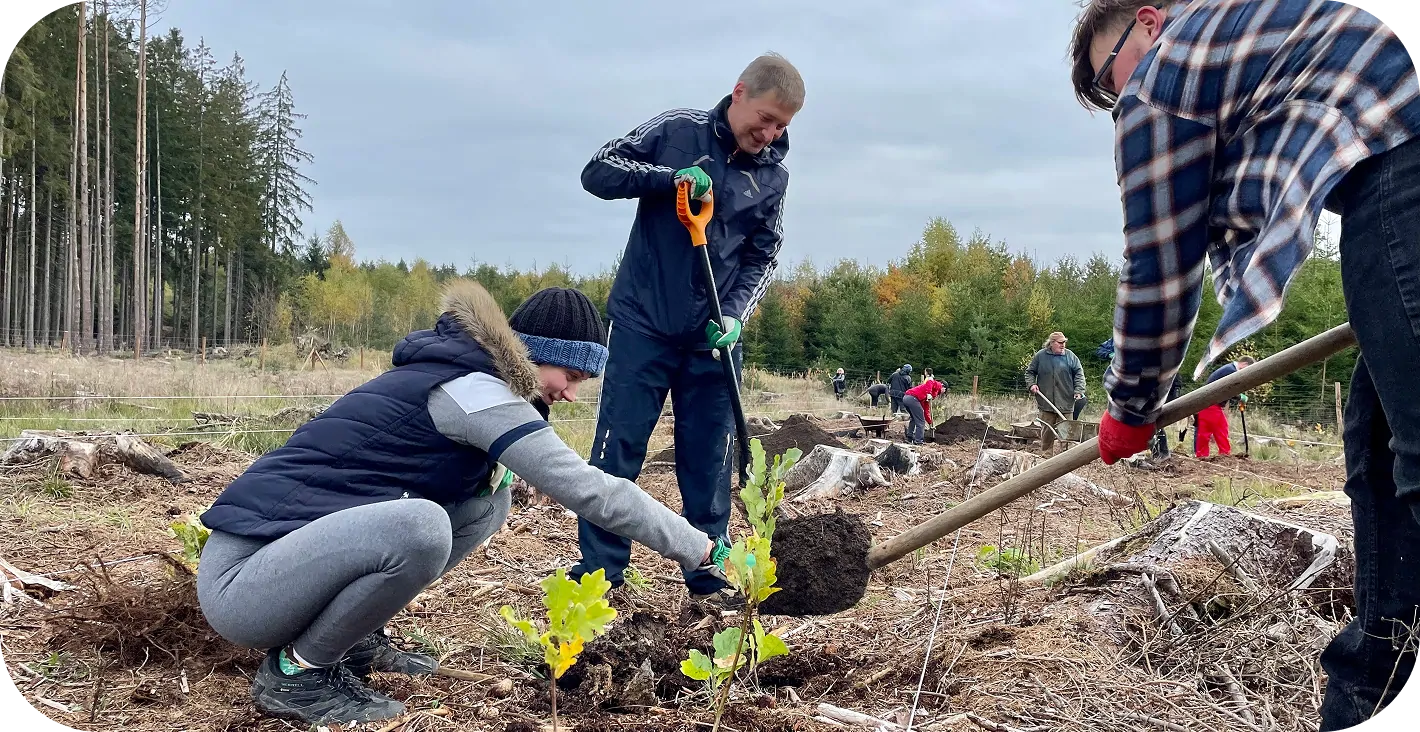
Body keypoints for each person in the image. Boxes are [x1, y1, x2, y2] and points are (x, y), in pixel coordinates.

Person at [1072, 0, 1420, 726]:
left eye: (1111, 76)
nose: (1120, 101)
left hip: (1404, 166)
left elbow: (1160, 268)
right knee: (1382, 451)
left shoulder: (1163, 73)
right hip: (1394, 156)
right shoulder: (1268, 29)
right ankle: (1381, 685)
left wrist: (1132, 407)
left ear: (1147, 20)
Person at [195, 282, 732, 725]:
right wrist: (700, 548)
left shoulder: (467, 375)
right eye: (569, 377)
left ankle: (351, 637)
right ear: (536, 355)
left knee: (485, 503)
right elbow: (595, 492)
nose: (569, 394)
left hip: (283, 563)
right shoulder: (478, 394)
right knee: (423, 526)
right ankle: (296, 673)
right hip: (244, 585)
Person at [572, 53, 804, 604]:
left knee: (707, 464)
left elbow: (763, 255)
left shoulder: (773, 175)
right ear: (739, 92)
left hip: (712, 340)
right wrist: (668, 178)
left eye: (782, 127)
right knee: (616, 457)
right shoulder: (676, 131)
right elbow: (596, 171)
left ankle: (708, 580)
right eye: (765, 118)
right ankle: (601, 583)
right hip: (642, 325)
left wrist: (734, 315)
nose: (768, 134)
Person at [1024, 332, 1085, 451]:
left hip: (1066, 400)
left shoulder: (1070, 356)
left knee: (1067, 431)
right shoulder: (1041, 356)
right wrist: (1032, 384)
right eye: (1060, 343)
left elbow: (1079, 374)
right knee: (1047, 431)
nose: (1063, 345)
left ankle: (1065, 457)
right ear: (1052, 343)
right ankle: (1046, 456)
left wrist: (1078, 390)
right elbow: (1030, 372)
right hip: (1046, 400)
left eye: (1064, 342)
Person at [1195, 357, 1255, 458]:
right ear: (1244, 364)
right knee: (1221, 429)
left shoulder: (1228, 368)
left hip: (1206, 403)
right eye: (1248, 369)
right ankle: (1224, 455)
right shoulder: (1231, 371)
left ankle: (1201, 456)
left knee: (1204, 433)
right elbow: (1228, 389)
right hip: (1212, 404)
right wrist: (1240, 397)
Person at [902, 374, 945, 445]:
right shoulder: (938, 385)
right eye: (945, 389)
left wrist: (930, 422)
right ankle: (919, 441)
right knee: (921, 421)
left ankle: (909, 438)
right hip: (912, 398)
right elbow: (930, 381)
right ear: (943, 387)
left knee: (914, 418)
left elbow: (926, 409)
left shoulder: (933, 392)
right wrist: (929, 393)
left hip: (906, 398)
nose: (944, 391)